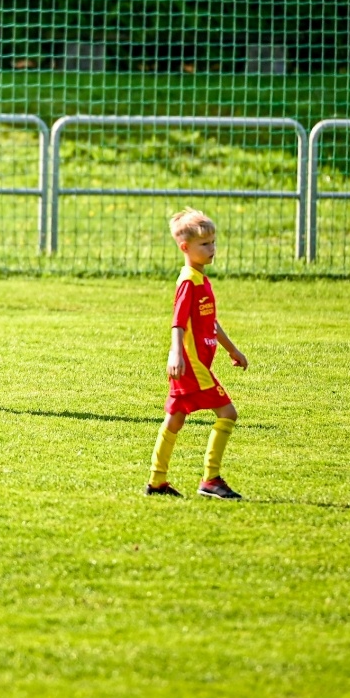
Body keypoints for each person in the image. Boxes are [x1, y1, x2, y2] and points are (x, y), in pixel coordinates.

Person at [146, 209, 249, 500]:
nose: (212, 249)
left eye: (213, 242)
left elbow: (210, 323)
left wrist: (233, 350)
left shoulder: (202, 280)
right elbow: (178, 321)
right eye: (205, 244)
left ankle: (156, 481)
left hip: (194, 363)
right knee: (228, 413)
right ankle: (211, 479)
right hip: (191, 365)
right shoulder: (188, 281)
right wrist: (176, 353)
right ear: (185, 248)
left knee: (175, 420)